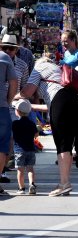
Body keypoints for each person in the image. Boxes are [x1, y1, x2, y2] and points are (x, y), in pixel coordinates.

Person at [16, 56, 78, 196]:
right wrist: (31, 107)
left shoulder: (39, 67)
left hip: (61, 102)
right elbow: (51, 106)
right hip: (75, 101)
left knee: (62, 145)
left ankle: (64, 183)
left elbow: (27, 91)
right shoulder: (58, 69)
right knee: (67, 144)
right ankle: (65, 182)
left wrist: (12, 97)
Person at [0, 34, 29, 180]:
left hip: (13, 105)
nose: (7, 51)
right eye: (4, 48)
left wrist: (16, 100)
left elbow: (24, 87)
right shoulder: (2, 59)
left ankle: (4, 167)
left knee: (10, 139)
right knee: (5, 139)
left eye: (10, 48)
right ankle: (3, 169)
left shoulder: (22, 65)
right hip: (3, 105)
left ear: (16, 50)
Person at [12, 99, 38, 195]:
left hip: (19, 150)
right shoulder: (31, 123)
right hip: (30, 149)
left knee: (20, 170)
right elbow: (36, 134)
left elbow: (12, 136)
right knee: (30, 169)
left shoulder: (15, 124)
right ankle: (32, 184)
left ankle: (21, 188)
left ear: (17, 111)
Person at [0, 51, 17, 195]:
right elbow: (14, 82)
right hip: (1, 107)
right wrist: (9, 100)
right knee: (1, 146)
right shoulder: (4, 57)